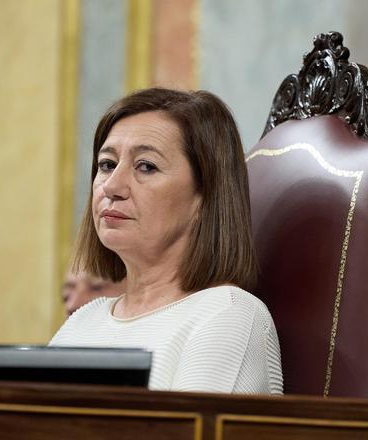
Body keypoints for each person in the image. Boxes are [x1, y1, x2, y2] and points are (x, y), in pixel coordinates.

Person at [49, 87, 283, 394]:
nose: (112, 186)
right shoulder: (82, 322)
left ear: (205, 197)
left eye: (146, 166)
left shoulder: (227, 316)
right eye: (107, 164)